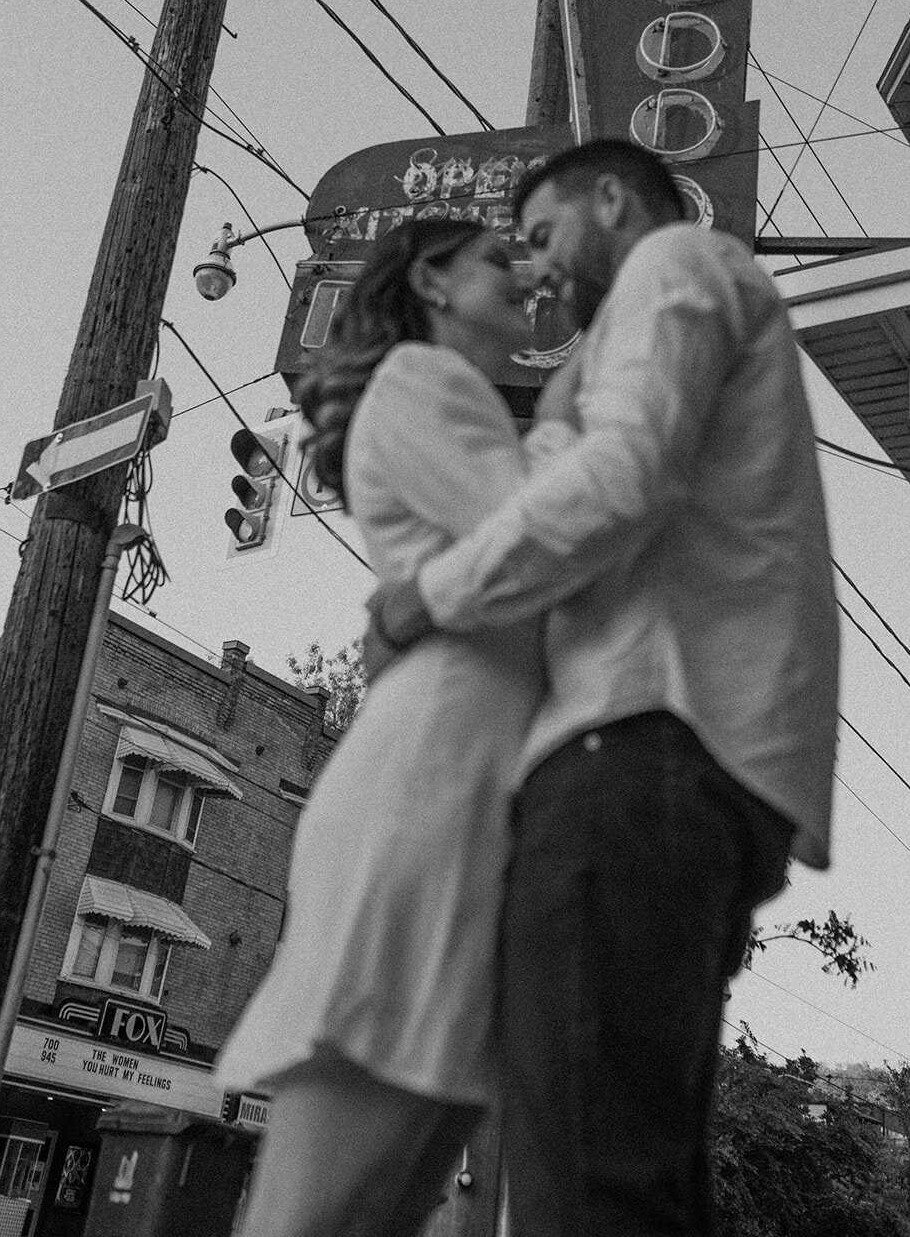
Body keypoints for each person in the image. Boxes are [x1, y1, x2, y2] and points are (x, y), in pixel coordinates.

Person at [366, 138, 841, 1237]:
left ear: (612, 201)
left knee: (583, 1187)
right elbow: (595, 475)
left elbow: (622, 475)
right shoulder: (665, 316)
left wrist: (425, 597)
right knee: (634, 1180)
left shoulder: (670, 262)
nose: (533, 271)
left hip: (634, 751)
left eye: (540, 236)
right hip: (690, 765)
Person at [215, 217, 576, 1237]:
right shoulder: (425, 380)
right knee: (319, 1210)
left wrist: (409, 603)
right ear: (431, 277)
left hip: (471, 784)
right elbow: (546, 538)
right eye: (497, 261)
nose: (526, 280)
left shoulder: (442, 397)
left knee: (379, 1202)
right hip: (433, 783)